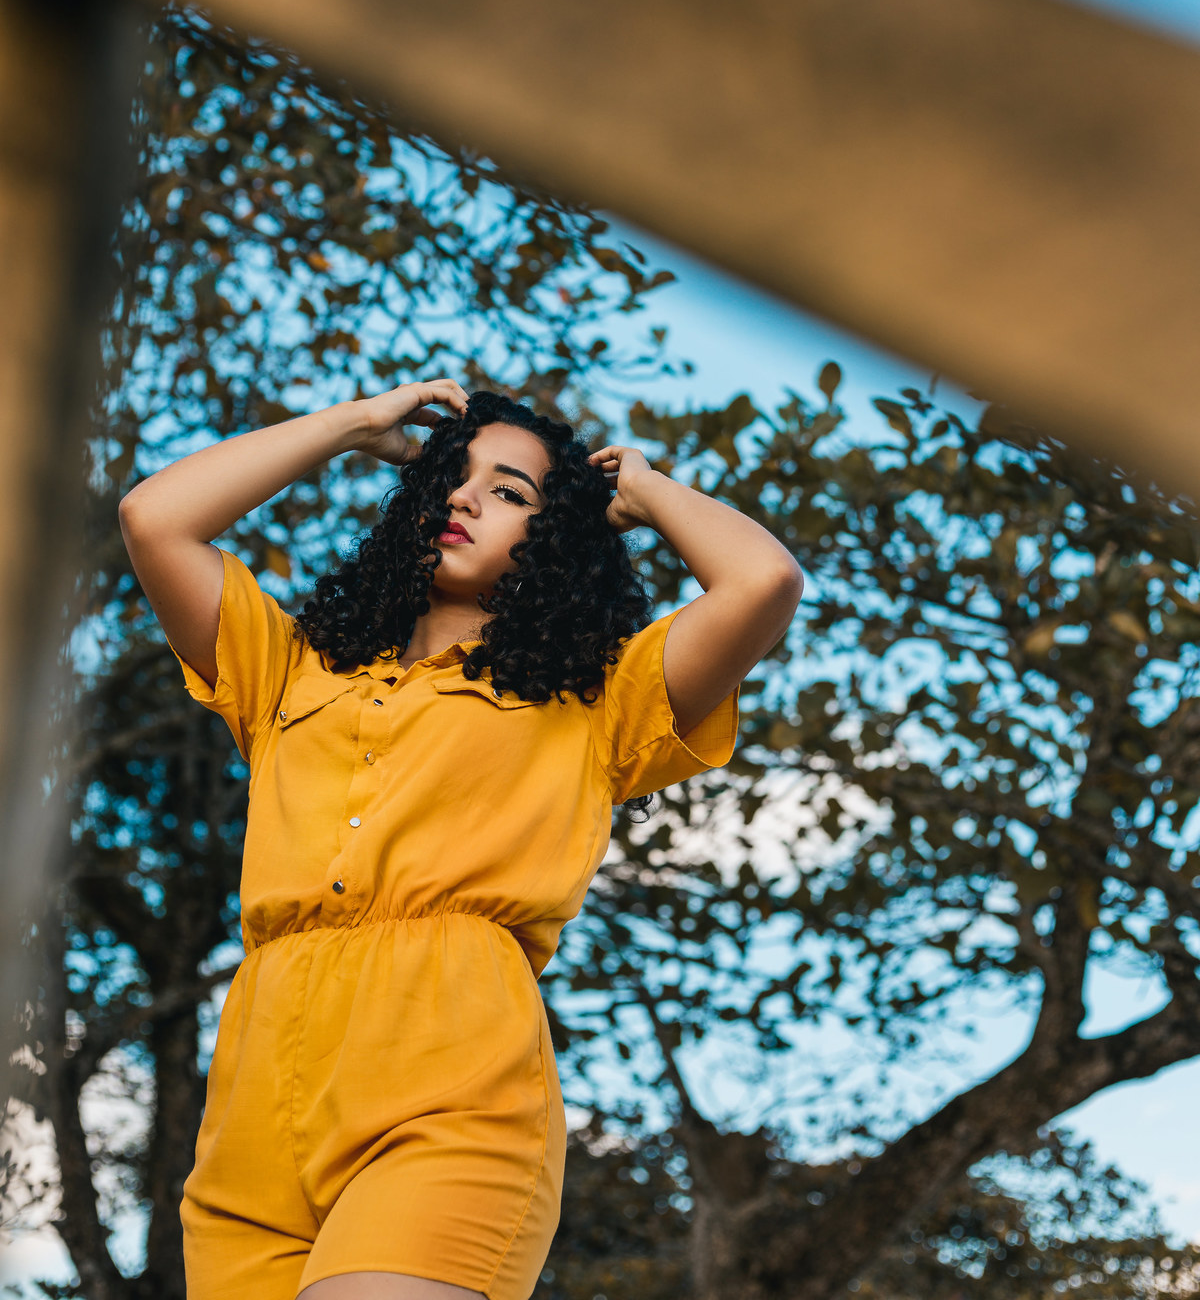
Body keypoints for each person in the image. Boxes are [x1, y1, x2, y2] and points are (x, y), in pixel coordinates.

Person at [119, 380, 803, 1300]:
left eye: (512, 492)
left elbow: (762, 581)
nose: (466, 498)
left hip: (450, 1098)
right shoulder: (289, 665)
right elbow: (153, 517)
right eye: (453, 476)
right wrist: (352, 425)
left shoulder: (601, 696)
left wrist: (643, 491)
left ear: (555, 536)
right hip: (251, 1113)